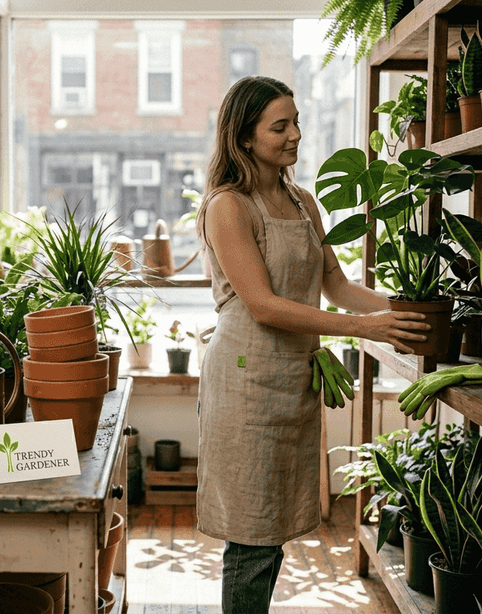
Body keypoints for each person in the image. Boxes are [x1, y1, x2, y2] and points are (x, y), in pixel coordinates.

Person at [195, 75, 430, 614]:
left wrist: (402, 309)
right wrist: (365, 330)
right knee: (251, 534)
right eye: (280, 126)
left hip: (289, 378)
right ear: (244, 137)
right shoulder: (229, 206)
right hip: (245, 378)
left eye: (296, 121)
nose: (296, 134)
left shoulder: (303, 202)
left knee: (270, 528)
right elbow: (263, 304)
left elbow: (338, 286)